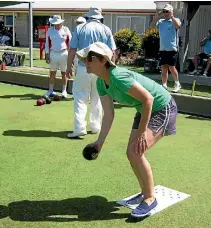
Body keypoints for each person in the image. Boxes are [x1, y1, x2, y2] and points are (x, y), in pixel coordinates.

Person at [77, 42, 178, 218]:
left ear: (102, 60)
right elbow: (108, 115)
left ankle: (150, 198)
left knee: (135, 151)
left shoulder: (119, 76)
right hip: (144, 108)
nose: (85, 62)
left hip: (162, 107)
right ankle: (146, 190)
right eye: (84, 59)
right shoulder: (101, 83)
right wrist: (99, 142)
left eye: (89, 59)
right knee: (132, 152)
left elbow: (148, 99)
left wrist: (141, 132)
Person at [65, 7, 117, 138]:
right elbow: (113, 51)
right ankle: (95, 126)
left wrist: (68, 67)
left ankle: (79, 128)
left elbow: (72, 49)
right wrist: (111, 69)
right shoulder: (106, 29)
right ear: (100, 17)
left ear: (88, 17)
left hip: (84, 67)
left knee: (80, 98)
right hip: (101, 70)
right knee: (98, 97)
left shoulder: (80, 28)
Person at [150, 4, 182, 93]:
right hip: (163, 48)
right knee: (164, 67)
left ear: (171, 12)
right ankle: (164, 85)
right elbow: (152, 26)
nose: (165, 13)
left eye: (167, 11)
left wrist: (172, 17)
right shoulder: (160, 22)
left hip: (172, 48)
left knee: (172, 67)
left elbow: (178, 26)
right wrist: (157, 16)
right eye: (164, 11)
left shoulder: (175, 20)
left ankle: (177, 83)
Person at [44, 15, 72, 98]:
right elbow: (47, 44)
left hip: (64, 53)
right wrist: (47, 54)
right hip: (53, 53)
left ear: (61, 22)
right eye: (54, 23)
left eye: (58, 23)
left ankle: (64, 91)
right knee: (52, 73)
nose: (56, 25)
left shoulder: (66, 30)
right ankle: (50, 90)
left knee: (64, 73)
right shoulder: (50, 31)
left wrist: (70, 56)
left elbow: (71, 43)